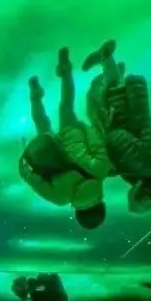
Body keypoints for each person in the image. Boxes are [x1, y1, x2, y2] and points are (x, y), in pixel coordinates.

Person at [20, 47, 110, 229]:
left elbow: (97, 143)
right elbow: (34, 180)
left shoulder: (101, 170)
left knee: (66, 105)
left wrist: (84, 129)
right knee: (42, 123)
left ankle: (65, 71)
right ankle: (36, 97)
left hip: (73, 136)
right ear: (78, 212)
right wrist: (24, 163)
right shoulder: (59, 198)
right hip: (50, 153)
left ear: (101, 202)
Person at [82, 39, 151, 214]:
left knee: (112, 88)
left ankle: (107, 61)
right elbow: (119, 138)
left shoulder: (150, 170)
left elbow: (144, 146)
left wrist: (112, 170)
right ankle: (106, 57)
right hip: (124, 118)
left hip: (132, 116)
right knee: (104, 94)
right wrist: (108, 138)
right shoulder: (141, 167)